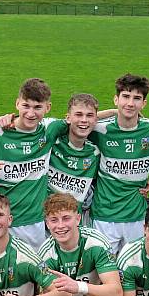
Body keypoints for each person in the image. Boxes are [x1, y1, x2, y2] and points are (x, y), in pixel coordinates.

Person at [0, 78, 69, 250]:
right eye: (26, 106)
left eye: (38, 107)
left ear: (48, 107)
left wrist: (118, 112)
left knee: (35, 274)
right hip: (1, 223)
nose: (31, 113)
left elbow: (83, 118)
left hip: (36, 223)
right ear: (17, 104)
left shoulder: (49, 129)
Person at [87, 73, 149, 256]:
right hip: (104, 215)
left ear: (144, 103)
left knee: (135, 270)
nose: (130, 103)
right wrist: (113, 112)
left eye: (137, 98)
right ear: (116, 99)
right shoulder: (100, 130)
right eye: (125, 96)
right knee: (101, 270)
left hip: (136, 216)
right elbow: (74, 122)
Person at [46, 93, 103, 223]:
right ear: (68, 118)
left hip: (74, 222)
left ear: (96, 120)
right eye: (78, 115)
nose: (84, 120)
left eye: (89, 116)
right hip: (46, 220)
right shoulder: (52, 143)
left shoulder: (95, 153)